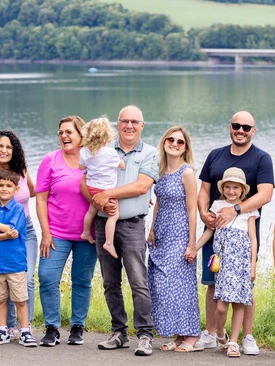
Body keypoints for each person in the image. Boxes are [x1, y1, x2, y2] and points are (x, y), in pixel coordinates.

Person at [195, 111, 274, 356]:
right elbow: (204, 191)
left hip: (242, 236)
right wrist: (203, 212)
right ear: (230, 127)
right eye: (236, 126)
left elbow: (266, 194)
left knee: (244, 289)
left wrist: (236, 209)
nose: (241, 131)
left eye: (246, 127)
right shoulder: (215, 155)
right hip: (217, 231)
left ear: (253, 130)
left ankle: (246, 336)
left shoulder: (262, 158)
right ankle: (211, 333)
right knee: (211, 282)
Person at [83, 105, 159, 356]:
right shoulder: (103, 148)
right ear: (117, 124)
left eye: (134, 121)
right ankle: (119, 332)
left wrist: (108, 193)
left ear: (142, 125)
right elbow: (85, 180)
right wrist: (95, 198)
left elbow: (142, 186)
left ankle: (145, 335)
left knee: (138, 281)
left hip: (133, 224)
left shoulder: (149, 152)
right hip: (104, 224)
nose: (129, 125)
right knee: (109, 282)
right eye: (124, 121)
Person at [36, 116, 98, 347]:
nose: (64, 136)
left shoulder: (94, 160)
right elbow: (41, 199)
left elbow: (114, 184)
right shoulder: (50, 160)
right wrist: (45, 232)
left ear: (82, 136)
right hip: (56, 233)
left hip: (87, 234)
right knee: (47, 277)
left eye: (69, 132)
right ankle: (52, 327)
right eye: (60, 132)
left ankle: (77, 327)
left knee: (82, 280)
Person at [191, 167, 259, 358]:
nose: (231, 191)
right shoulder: (217, 205)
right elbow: (209, 231)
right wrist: (194, 248)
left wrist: (253, 265)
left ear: (242, 190)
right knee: (221, 306)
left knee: (239, 304)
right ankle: (220, 334)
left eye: (235, 188)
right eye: (228, 187)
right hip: (223, 264)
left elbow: (253, 239)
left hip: (242, 263)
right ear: (223, 188)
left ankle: (234, 343)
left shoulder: (248, 209)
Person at [0, 130, 37, 339]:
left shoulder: (21, 170)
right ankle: (9, 326)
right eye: (0, 146)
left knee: (26, 278)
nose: (4, 150)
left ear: (14, 151)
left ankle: (25, 328)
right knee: (4, 278)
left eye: (9, 147)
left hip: (26, 230)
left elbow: (35, 191)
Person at [147, 126, 201, 352]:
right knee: (161, 284)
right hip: (162, 231)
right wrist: (151, 229)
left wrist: (192, 244)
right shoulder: (159, 170)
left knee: (180, 284)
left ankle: (192, 335)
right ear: (164, 142)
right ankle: (179, 335)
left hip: (180, 234)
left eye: (180, 142)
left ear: (185, 147)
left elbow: (192, 209)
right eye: (171, 139)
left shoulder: (187, 172)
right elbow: (158, 201)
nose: (175, 144)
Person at [79, 117, 125, 258]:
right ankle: (109, 242)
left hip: (92, 187)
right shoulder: (110, 153)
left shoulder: (85, 151)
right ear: (107, 136)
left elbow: (81, 167)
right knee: (114, 215)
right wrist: (121, 159)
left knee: (92, 210)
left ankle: (86, 232)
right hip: (106, 190)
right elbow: (122, 166)